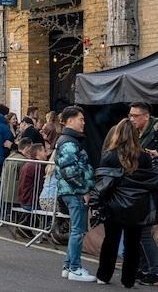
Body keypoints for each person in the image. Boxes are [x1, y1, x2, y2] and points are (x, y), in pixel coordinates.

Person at [91, 119, 158, 288]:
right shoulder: (144, 157)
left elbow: (103, 184)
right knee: (133, 244)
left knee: (110, 240)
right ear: (136, 135)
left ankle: (104, 275)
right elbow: (155, 180)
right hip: (138, 207)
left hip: (114, 205)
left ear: (117, 134)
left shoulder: (109, 156)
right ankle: (128, 280)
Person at [106, 102, 158, 287]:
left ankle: (156, 272)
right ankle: (142, 269)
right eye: (130, 115)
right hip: (137, 194)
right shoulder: (135, 134)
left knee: (144, 233)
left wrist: (154, 155)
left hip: (149, 192)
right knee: (139, 233)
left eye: (135, 116)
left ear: (146, 117)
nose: (131, 119)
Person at [55, 105, 96, 282]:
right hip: (75, 192)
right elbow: (70, 171)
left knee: (76, 230)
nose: (83, 122)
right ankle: (75, 268)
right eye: (81, 119)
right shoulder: (69, 142)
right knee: (78, 231)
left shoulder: (68, 140)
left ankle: (68, 266)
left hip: (71, 191)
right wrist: (85, 189)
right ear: (70, 121)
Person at [18, 143, 47, 211]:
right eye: (44, 151)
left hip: (24, 202)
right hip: (32, 203)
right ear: (38, 152)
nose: (46, 153)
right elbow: (41, 187)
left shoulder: (28, 164)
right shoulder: (37, 166)